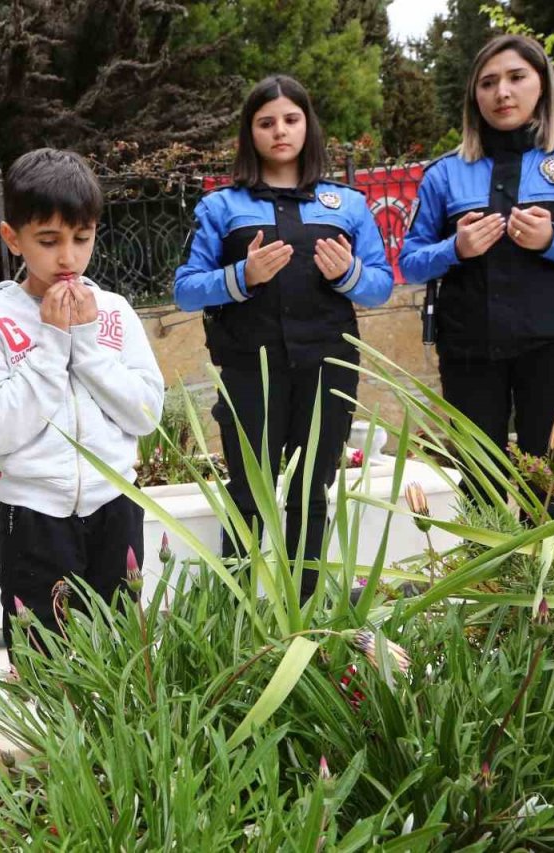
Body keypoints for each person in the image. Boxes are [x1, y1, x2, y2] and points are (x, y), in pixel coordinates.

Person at [173, 75, 393, 598]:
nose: (279, 131)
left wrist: (348, 275)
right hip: (252, 370)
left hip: (329, 369)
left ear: (307, 126)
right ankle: (237, 613)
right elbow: (185, 291)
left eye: (290, 119)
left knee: (311, 491)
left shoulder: (348, 204)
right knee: (249, 492)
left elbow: (382, 285)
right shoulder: (221, 207)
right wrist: (241, 278)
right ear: (250, 133)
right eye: (266, 122)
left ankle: (305, 608)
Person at [399, 35, 554, 508]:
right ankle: (483, 581)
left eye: (515, 78)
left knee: (544, 484)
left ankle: (541, 581)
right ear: (474, 96)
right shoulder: (445, 173)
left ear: (542, 85)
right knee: (480, 482)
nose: (502, 92)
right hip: (470, 349)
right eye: (488, 83)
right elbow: (409, 261)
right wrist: (456, 248)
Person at [0, 148, 165, 655]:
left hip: (115, 505)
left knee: (125, 653)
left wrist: (89, 345)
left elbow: (146, 413)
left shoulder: (114, 312)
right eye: (48, 241)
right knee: (43, 660)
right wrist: (52, 344)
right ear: (13, 238)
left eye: (82, 238)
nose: (68, 258)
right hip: (33, 515)